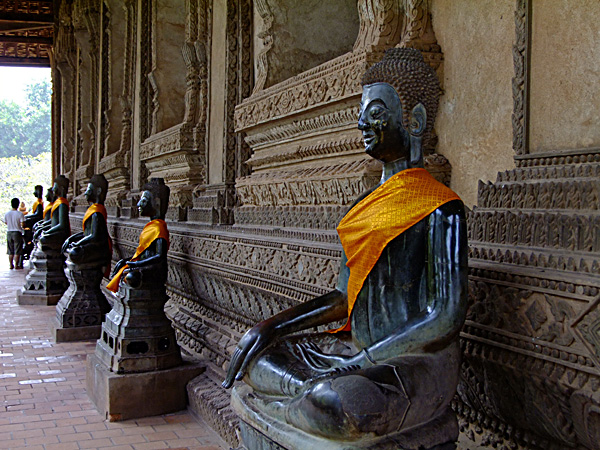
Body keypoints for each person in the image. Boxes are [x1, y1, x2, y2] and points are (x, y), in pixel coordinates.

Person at [223, 48, 468, 447]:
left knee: (340, 403)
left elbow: (444, 316)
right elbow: (343, 296)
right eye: (361, 113)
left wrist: (363, 361)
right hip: (351, 353)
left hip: (413, 364)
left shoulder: (443, 207)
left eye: (375, 112)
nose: (361, 123)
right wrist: (270, 328)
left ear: (415, 120)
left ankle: (304, 402)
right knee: (259, 358)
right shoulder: (363, 207)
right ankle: (307, 398)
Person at [106, 178, 169, 292]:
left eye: (144, 201)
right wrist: (131, 262)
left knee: (132, 277)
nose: (139, 204)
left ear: (157, 203)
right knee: (120, 264)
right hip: (144, 265)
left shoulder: (159, 228)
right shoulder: (151, 227)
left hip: (154, 269)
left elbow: (159, 256)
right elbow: (144, 253)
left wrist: (138, 263)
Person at [61, 174, 112, 272]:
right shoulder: (93, 210)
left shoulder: (97, 212)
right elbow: (87, 233)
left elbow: (94, 236)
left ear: (98, 191)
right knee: (70, 248)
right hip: (92, 244)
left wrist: (78, 243)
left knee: (74, 253)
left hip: (99, 248)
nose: (85, 193)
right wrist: (71, 239)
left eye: (88, 190)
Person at [3, 198, 24, 269]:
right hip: (17, 232)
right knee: (17, 250)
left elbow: (6, 222)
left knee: (10, 250)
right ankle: (16, 265)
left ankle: (11, 265)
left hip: (9, 232)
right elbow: (23, 224)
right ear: (18, 205)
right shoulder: (20, 214)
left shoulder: (7, 214)